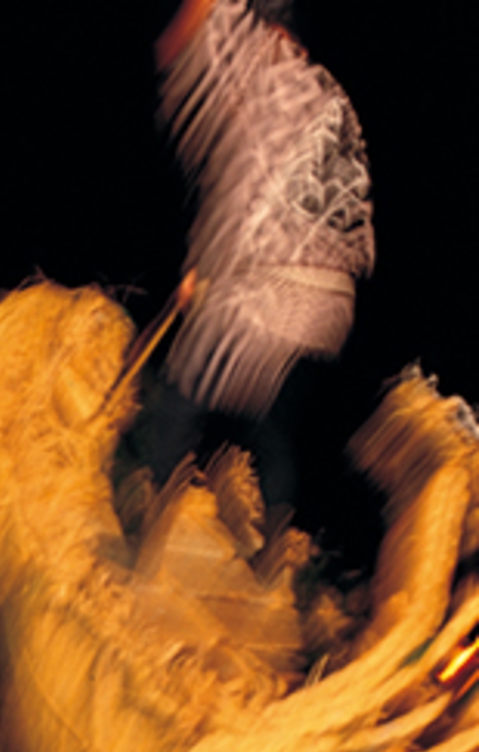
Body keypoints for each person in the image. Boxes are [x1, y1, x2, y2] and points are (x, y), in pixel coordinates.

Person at [148, 0, 374, 510]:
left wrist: (200, 270)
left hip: (266, 285)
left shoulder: (264, 75)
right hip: (327, 305)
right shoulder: (334, 102)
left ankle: (157, 513)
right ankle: (274, 544)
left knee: (181, 401)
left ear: (270, 35)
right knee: (272, 429)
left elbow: (178, 44)